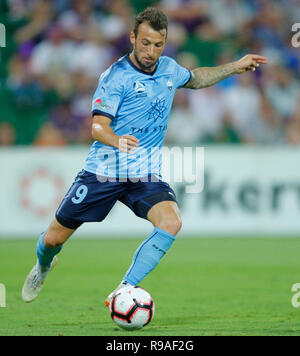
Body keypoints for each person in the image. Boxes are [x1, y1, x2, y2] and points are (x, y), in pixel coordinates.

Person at [22, 7, 267, 304]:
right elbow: (98, 127)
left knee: (171, 222)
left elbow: (196, 78)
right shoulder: (116, 76)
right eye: (145, 43)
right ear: (133, 38)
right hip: (104, 171)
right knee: (53, 239)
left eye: (158, 45)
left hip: (144, 174)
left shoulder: (169, 69)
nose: (151, 51)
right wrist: (117, 140)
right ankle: (43, 265)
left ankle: (123, 290)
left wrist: (234, 66)